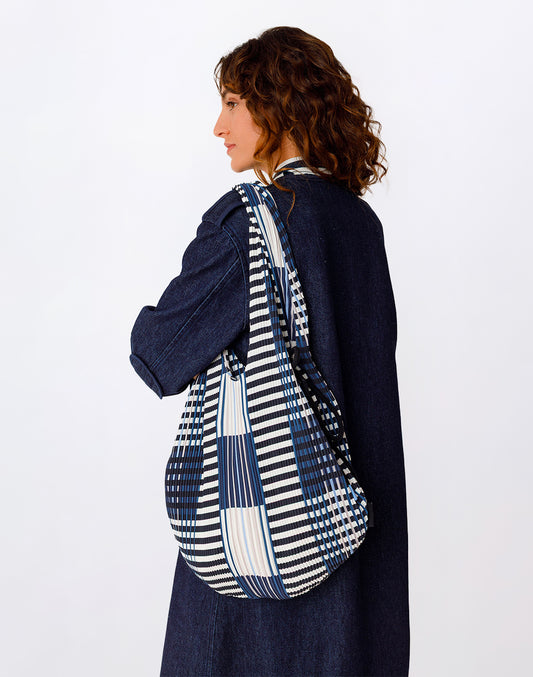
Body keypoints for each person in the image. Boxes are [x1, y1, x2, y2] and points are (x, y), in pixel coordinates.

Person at [130, 26, 410, 677]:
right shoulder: (358, 223)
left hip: (264, 568)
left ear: (278, 106)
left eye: (233, 103)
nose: (218, 126)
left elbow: (158, 354)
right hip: (359, 565)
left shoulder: (251, 221)